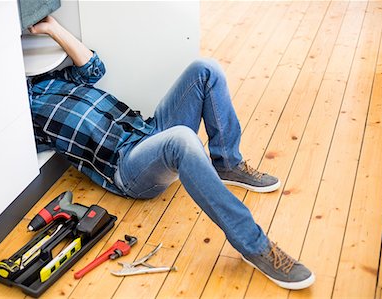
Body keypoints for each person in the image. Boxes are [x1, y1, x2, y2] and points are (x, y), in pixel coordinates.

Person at [27, 16, 315, 290]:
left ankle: (227, 163)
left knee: (205, 69)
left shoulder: (51, 78)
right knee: (182, 140)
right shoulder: (23, 114)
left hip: (147, 129)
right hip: (127, 166)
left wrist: (53, 28)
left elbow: (93, 69)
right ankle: (254, 245)